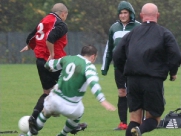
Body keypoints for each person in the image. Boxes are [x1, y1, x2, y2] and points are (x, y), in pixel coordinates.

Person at [113, 3, 181, 136]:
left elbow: (117, 55)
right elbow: (176, 54)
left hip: (132, 80)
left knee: (134, 119)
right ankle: (140, 131)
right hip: (152, 80)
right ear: (158, 15)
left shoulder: (132, 33)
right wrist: (172, 72)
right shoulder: (164, 33)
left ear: (141, 16)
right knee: (154, 118)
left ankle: (136, 129)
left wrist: (124, 72)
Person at [25, 45, 116, 136]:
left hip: (53, 99)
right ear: (93, 56)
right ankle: (63, 134)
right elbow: (93, 83)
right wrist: (102, 100)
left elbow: (48, 66)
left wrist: (50, 60)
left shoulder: (67, 58)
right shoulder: (89, 66)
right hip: (71, 107)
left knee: (45, 113)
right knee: (79, 112)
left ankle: (28, 134)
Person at [19, 3, 83, 132]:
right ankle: (72, 125)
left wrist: (30, 45)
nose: (66, 17)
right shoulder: (61, 24)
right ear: (63, 13)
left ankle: (33, 118)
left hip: (40, 62)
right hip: (55, 62)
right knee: (71, 89)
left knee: (47, 92)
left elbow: (32, 36)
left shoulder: (44, 20)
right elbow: (50, 38)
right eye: (67, 15)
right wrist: (52, 54)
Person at [101, 1, 141, 130]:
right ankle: (123, 123)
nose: (123, 15)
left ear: (130, 14)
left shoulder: (138, 27)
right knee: (122, 92)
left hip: (134, 66)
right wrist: (105, 67)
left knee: (135, 93)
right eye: (121, 13)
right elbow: (109, 48)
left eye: (125, 12)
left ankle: (138, 121)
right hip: (119, 67)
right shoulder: (114, 28)